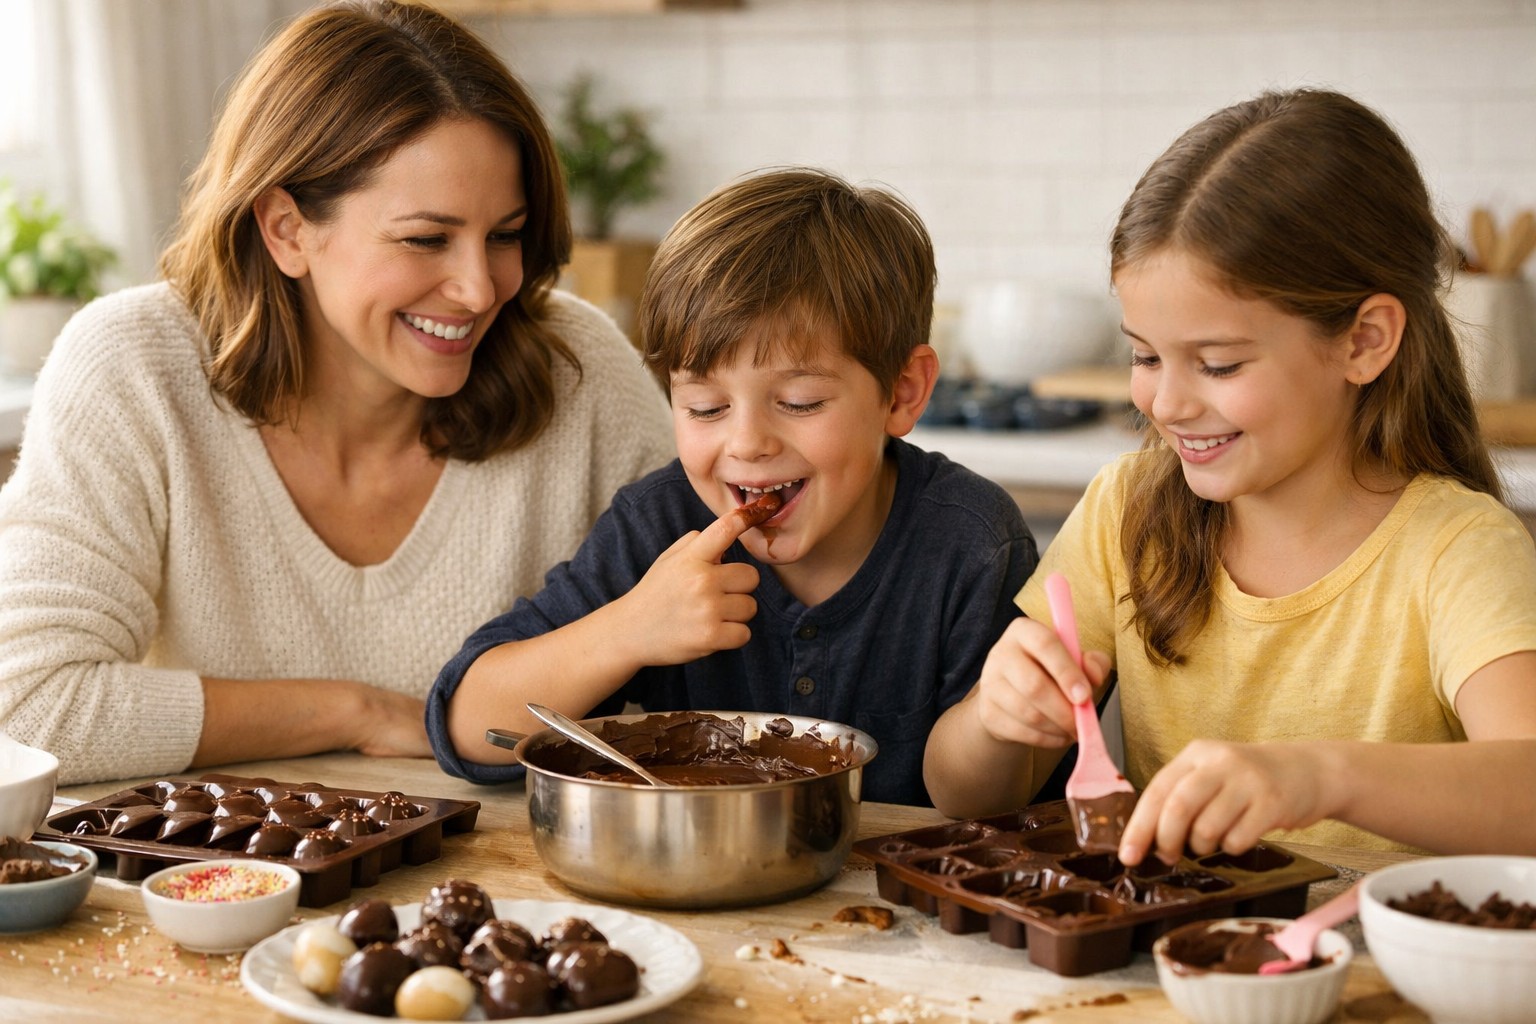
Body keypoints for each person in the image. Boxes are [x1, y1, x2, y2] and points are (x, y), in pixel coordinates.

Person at [0, 0, 673, 786]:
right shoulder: (134, 367)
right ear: (287, 230)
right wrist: (358, 713)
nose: (479, 287)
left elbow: (722, 648)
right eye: (426, 238)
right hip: (223, 862)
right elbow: (25, 706)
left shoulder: (579, 368)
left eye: (505, 235)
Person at [924, 88, 1536, 859]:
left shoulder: (1456, 548)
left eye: (1218, 364)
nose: (1167, 403)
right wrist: (997, 719)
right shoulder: (1125, 514)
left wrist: (1320, 777)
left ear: (1364, 341)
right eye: (1145, 356)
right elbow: (963, 795)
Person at [428, 168, 1038, 806]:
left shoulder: (971, 542)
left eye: (800, 402)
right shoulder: (659, 526)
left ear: (902, 393)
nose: (747, 443)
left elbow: (993, 801)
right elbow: (466, 726)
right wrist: (628, 630)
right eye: (706, 408)